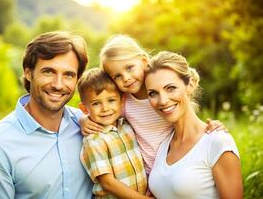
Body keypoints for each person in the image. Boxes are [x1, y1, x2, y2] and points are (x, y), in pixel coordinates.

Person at [81, 34, 225, 176]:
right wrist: (83, 119)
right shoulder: (124, 102)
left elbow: (188, 120)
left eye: (130, 68)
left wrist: (212, 126)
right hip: (147, 175)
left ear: (144, 61)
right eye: (117, 76)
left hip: (178, 166)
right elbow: (100, 111)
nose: (126, 78)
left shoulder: (164, 98)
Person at [0, 31, 93, 199]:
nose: (58, 85)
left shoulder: (88, 124)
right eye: (49, 72)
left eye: (68, 74)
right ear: (29, 73)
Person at [145, 51, 243, 199]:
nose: (162, 100)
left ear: (190, 85)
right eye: (153, 93)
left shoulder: (217, 142)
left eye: (170, 88)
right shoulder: (163, 145)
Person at [78, 68, 151, 199]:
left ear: (122, 101)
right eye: (96, 103)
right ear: (84, 109)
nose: (105, 108)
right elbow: (108, 183)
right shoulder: (94, 140)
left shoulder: (127, 126)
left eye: (111, 100)